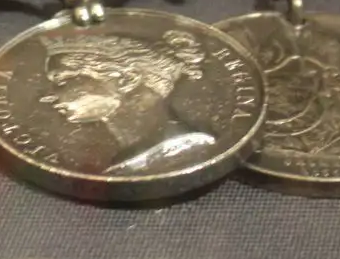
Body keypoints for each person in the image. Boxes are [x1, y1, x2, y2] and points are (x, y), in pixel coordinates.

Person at [39, 30, 213, 174]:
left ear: (126, 80)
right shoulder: (118, 164)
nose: (47, 96)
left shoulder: (189, 147)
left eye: (62, 81)